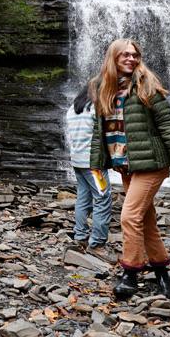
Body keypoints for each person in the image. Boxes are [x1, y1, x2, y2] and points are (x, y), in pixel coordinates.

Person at [88, 39, 170, 300]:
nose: (131, 58)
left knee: (129, 216)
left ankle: (131, 274)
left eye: (135, 54)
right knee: (145, 222)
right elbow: (98, 132)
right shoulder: (103, 87)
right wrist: (95, 166)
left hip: (152, 163)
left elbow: (168, 125)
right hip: (125, 165)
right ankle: (162, 275)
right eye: (125, 54)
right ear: (112, 57)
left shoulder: (146, 85)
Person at [64, 89, 114, 261]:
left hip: (77, 161)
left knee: (83, 197)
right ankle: (97, 244)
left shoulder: (72, 109)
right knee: (102, 198)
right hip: (93, 164)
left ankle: (80, 236)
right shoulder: (95, 108)